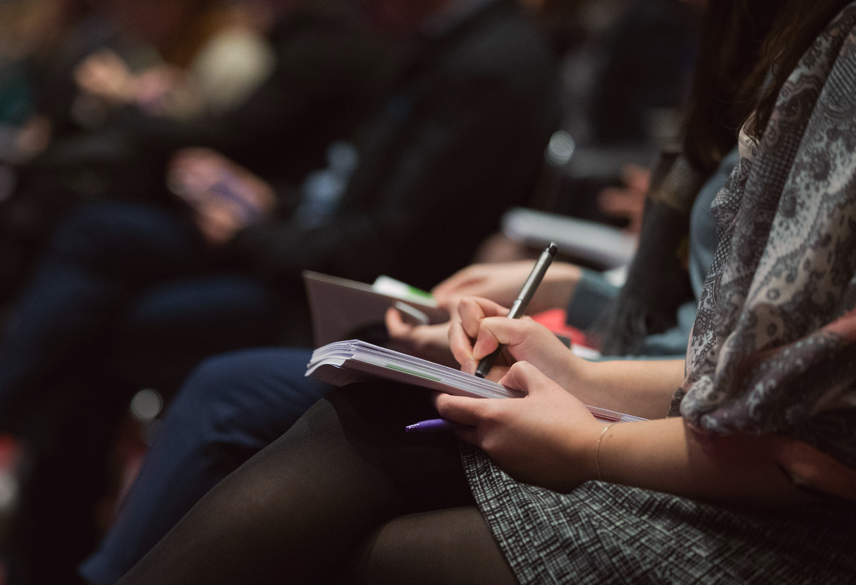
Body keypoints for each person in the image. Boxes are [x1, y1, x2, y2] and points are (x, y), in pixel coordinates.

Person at [0, 0, 559, 583]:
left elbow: (384, 245)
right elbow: (342, 191)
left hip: (363, 300)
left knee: (104, 324)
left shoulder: (481, 60)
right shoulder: (425, 39)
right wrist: (265, 201)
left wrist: (248, 230)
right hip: (304, 255)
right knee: (90, 239)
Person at [115, 0, 856, 582]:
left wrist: (594, 435)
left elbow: (798, 434)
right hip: (687, 416)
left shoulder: (825, 55)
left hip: (782, 524)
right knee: (320, 404)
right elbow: (734, 366)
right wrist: (576, 365)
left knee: (339, 492)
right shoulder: (789, 50)